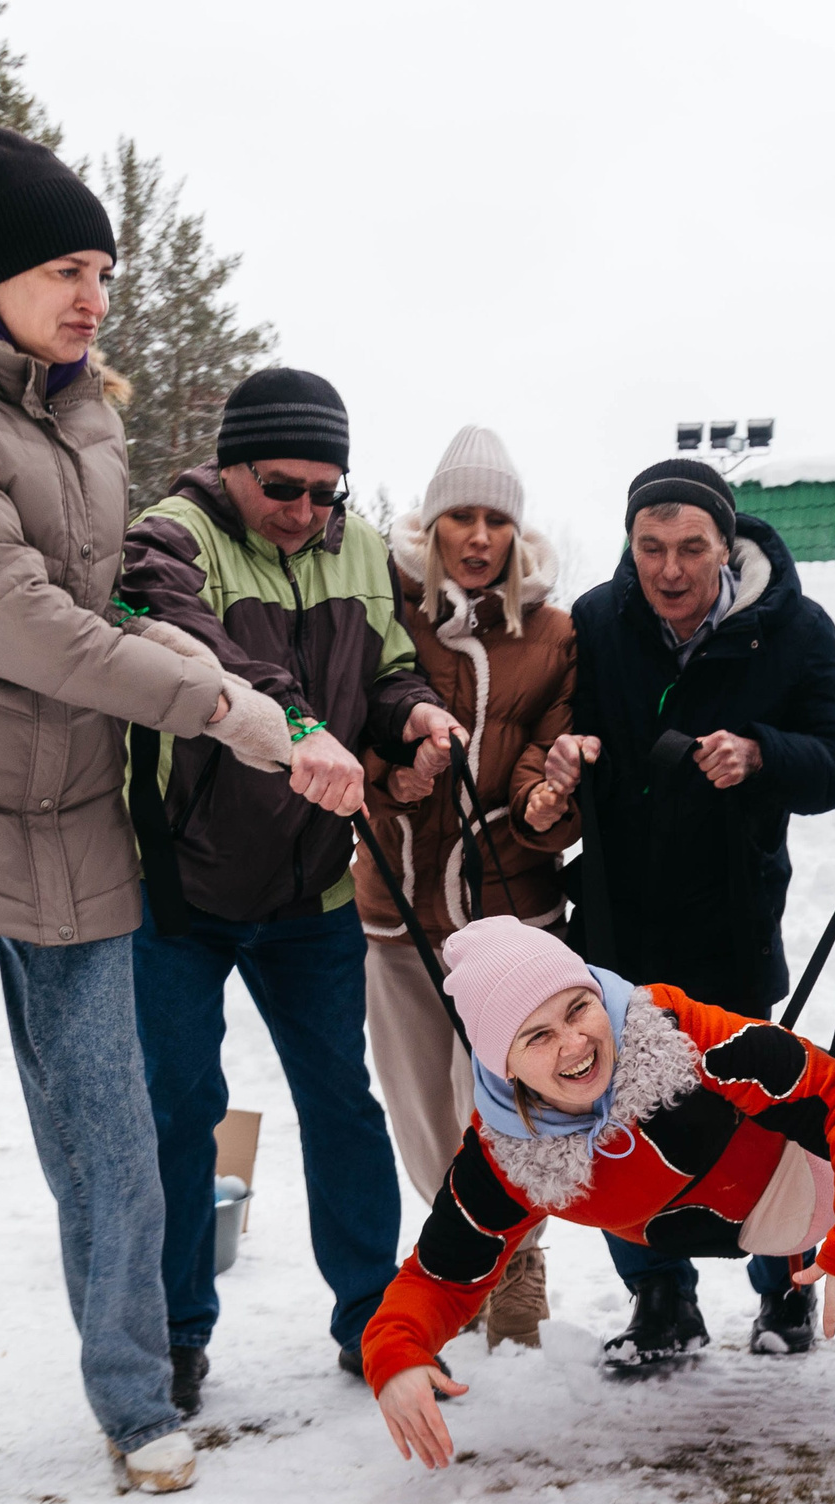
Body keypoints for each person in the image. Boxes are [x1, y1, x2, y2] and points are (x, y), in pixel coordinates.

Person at [0, 128, 297, 1500]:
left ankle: (136, 1398)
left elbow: (97, 603)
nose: (92, 296)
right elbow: (14, 618)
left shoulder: (88, 416)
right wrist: (207, 709)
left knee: (109, 1123)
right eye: (66, 269)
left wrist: (198, 657)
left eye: (103, 271)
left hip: (69, 802)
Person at [116, 368, 468, 1411]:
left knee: (342, 1108)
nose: (309, 512)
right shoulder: (170, 536)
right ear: (231, 467)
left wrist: (414, 717)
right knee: (182, 1114)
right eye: (285, 488)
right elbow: (193, 649)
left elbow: (392, 662)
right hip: (179, 888)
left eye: (329, 492)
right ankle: (178, 1333)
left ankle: (374, 1321)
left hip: (313, 886)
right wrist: (299, 724)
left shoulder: (355, 551)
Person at [358, 917, 835, 1464]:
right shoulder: (507, 1154)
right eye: (538, 1035)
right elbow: (441, 1274)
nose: (575, 1043)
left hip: (811, 1168)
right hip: (743, 1225)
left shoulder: (671, 1032)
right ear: (505, 1066)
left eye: (578, 1008)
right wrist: (397, 1355)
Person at [538, 459, 835, 1370]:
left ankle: (785, 1288)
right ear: (630, 545)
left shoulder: (793, 630)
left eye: (690, 548)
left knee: (756, 1111)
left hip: (733, 916)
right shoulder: (600, 619)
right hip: (618, 916)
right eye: (650, 548)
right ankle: (660, 1299)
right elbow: (576, 723)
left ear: (726, 545)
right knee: (619, 1116)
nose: (669, 569)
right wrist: (577, 749)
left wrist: (762, 755)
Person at [356, 426, 578, 1350]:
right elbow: (355, 722)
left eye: (497, 520)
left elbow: (553, 748)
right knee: (422, 1110)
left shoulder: (554, 633)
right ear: (432, 526)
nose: (480, 537)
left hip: (510, 907)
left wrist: (544, 800)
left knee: (509, 1101)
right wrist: (389, 779)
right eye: (462, 518)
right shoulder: (385, 615)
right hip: (400, 907)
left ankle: (514, 1266)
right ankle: (464, 1245)